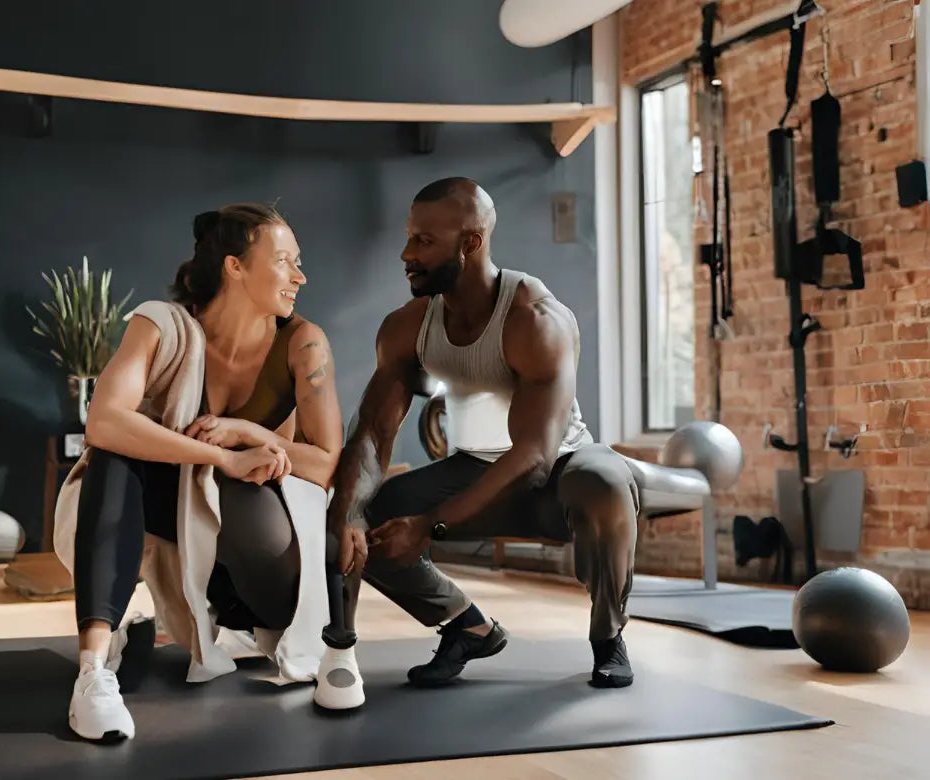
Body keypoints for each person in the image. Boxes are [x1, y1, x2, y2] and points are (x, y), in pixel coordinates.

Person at [326, 177, 639, 691]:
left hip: (561, 467)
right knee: (371, 514)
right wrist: (349, 513)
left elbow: (536, 455)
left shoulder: (533, 319)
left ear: (470, 243)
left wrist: (428, 525)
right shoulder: (407, 327)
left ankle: (608, 637)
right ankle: (466, 624)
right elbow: (374, 431)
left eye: (424, 241)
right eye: (409, 238)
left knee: (605, 484)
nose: (407, 253)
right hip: (475, 467)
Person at [51, 202, 348, 742]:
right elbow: (104, 421)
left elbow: (327, 463)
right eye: (284, 261)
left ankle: (225, 625)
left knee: (228, 493)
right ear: (235, 267)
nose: (300, 276)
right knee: (112, 457)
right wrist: (222, 457)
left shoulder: (303, 343)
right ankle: (92, 674)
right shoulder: (162, 326)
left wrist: (250, 435)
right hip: (187, 517)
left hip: (260, 575)